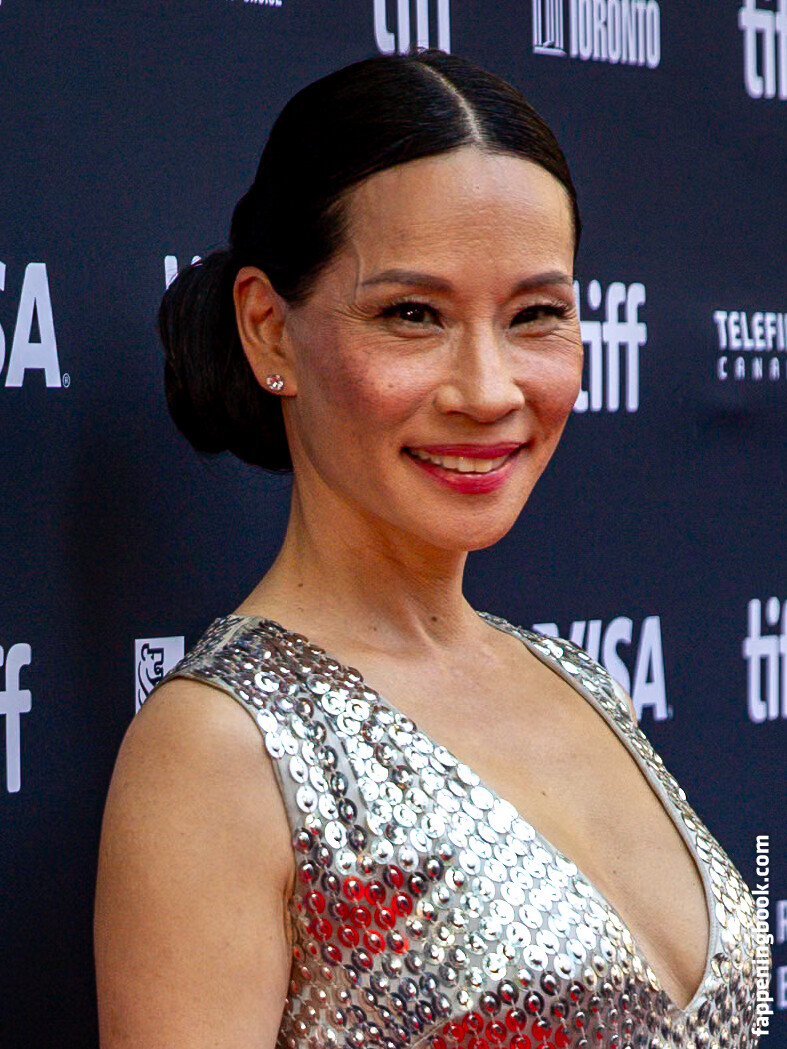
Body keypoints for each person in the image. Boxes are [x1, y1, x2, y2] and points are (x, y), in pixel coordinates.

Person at [94, 49, 767, 1049]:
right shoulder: (221, 750)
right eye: (412, 315)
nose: (488, 389)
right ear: (269, 329)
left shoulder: (579, 680)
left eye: (535, 314)